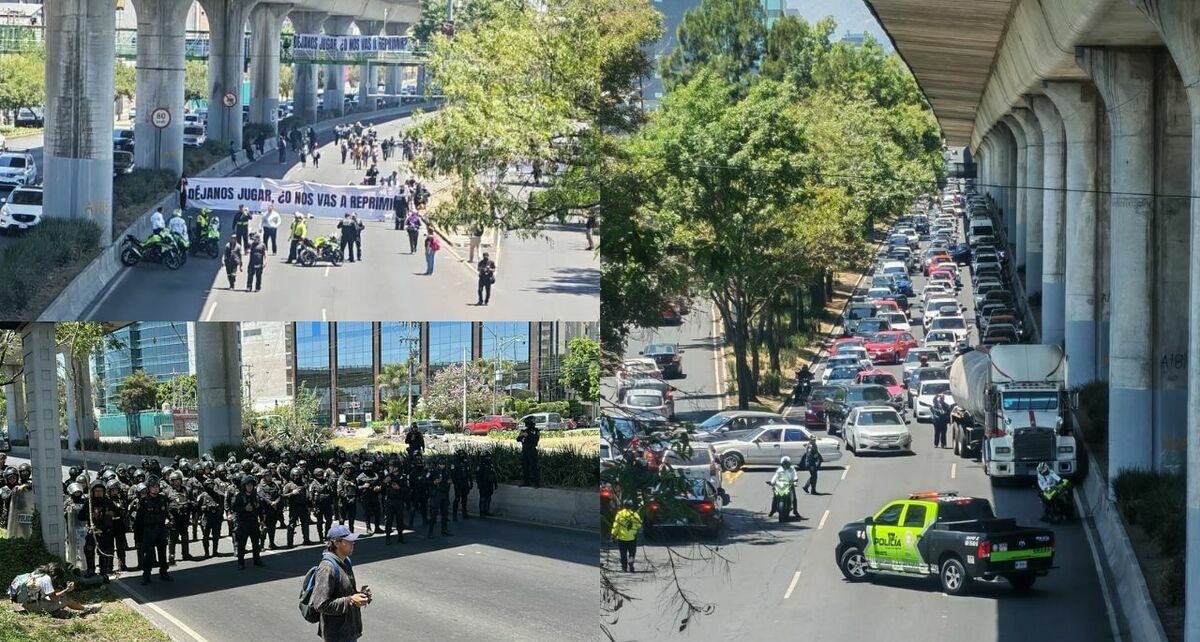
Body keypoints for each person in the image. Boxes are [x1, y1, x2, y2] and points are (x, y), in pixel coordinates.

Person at [310, 525, 368, 642]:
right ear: (337, 543)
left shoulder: (346, 561)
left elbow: (345, 591)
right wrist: (350, 600)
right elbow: (320, 604)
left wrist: (359, 596)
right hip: (337, 636)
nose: (353, 543)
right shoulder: (327, 568)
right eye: (349, 541)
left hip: (349, 631)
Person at [12, 564, 100, 615]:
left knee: (57, 597)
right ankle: (87, 609)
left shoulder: (36, 573)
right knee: (66, 600)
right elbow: (54, 598)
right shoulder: (47, 579)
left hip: (26, 603)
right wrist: (66, 590)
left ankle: (84, 608)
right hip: (34, 606)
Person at [134, 476, 172, 585]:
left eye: (157, 486)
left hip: (161, 529)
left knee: (162, 553)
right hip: (149, 530)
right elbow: (139, 519)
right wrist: (138, 535)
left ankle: (164, 572)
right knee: (149, 555)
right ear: (149, 488)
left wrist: (168, 520)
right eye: (153, 487)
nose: (155, 489)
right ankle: (146, 575)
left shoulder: (163, 499)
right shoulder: (144, 501)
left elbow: (167, 513)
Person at [230, 475, 264, 569]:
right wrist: (244, 509)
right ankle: (241, 563)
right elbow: (234, 508)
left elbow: (260, 509)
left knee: (256, 543)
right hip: (243, 523)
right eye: (248, 485)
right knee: (241, 544)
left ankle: (257, 560)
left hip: (254, 522)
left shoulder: (256, 496)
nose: (250, 487)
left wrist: (262, 520)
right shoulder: (239, 496)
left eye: (251, 485)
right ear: (244, 486)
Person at [164, 472, 194, 564]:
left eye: (178, 480)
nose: (177, 482)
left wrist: (190, 507)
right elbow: (164, 506)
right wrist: (166, 518)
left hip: (184, 517)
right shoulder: (167, 491)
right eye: (175, 481)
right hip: (173, 517)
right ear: (171, 481)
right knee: (172, 537)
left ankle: (185, 553)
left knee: (185, 535)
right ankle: (171, 555)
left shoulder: (186, 490)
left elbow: (192, 501)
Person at [283, 467, 314, 548]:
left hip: (303, 506)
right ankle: (290, 543)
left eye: (297, 475)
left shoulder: (304, 484)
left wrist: (310, 506)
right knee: (292, 525)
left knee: (305, 524)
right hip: (294, 507)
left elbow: (308, 495)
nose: (296, 477)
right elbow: (283, 496)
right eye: (294, 475)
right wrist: (292, 493)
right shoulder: (288, 485)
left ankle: (306, 540)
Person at [611, 500, 642, 572]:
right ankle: (631, 560)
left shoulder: (619, 514)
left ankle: (624, 568)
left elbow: (616, 525)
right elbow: (639, 525)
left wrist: (613, 534)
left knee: (623, 554)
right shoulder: (635, 515)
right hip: (632, 537)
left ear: (624, 505)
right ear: (631, 506)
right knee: (632, 552)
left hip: (621, 538)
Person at [257, 468, 284, 549]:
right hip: (265, 510)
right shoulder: (260, 486)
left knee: (272, 527)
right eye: (268, 475)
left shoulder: (274, 484)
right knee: (264, 528)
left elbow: (279, 494)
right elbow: (261, 496)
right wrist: (271, 503)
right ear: (264, 477)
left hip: (274, 509)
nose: (270, 477)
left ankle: (272, 543)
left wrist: (276, 502)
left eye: (270, 475)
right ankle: (261, 545)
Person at [382, 462, 408, 544]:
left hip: (399, 501)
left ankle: (400, 537)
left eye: (391, 467)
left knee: (400, 520)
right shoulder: (388, 476)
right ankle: (387, 538)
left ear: (396, 468)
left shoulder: (403, 477)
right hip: (390, 501)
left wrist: (399, 488)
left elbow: (407, 489)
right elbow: (382, 487)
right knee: (389, 520)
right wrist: (384, 482)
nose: (390, 468)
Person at [427, 460, 453, 538]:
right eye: (441, 464)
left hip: (445, 493)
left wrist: (449, 482)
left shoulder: (446, 472)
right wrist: (434, 482)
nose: (442, 466)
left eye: (444, 464)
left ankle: (444, 529)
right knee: (434, 513)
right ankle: (430, 532)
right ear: (438, 464)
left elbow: (449, 480)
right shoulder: (433, 472)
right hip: (437, 494)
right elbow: (426, 481)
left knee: (445, 513)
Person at [309, 468, 336, 540]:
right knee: (320, 521)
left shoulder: (327, 482)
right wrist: (312, 507)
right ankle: (320, 536)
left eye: (321, 474)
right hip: (318, 504)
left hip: (327, 504)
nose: (320, 476)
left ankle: (327, 534)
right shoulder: (313, 484)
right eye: (318, 475)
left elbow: (331, 492)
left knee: (329, 520)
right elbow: (310, 495)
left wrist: (332, 504)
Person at [517, 416, 540, 487]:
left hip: (532, 450)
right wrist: (522, 435)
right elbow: (518, 439)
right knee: (525, 467)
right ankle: (526, 482)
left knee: (533, 466)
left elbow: (535, 440)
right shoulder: (524, 431)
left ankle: (536, 483)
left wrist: (528, 435)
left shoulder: (535, 431)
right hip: (525, 451)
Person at [336, 463, 359, 533]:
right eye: (345, 469)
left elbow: (356, 489)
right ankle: (341, 533)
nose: (347, 470)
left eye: (349, 469)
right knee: (342, 519)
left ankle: (351, 532)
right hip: (343, 501)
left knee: (351, 518)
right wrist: (346, 497)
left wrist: (354, 498)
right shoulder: (341, 478)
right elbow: (339, 490)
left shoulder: (353, 478)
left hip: (352, 500)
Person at [449, 450, 471, 520]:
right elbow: (452, 474)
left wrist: (470, 482)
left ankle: (464, 513)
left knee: (464, 499)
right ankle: (454, 515)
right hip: (458, 483)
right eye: (461, 454)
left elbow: (468, 472)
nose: (462, 456)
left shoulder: (465, 462)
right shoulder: (454, 463)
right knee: (457, 499)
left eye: (463, 454)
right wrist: (455, 483)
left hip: (464, 482)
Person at [475, 452, 498, 517]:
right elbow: (478, 476)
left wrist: (495, 483)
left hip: (489, 484)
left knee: (488, 498)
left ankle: (487, 510)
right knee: (483, 498)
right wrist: (479, 484)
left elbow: (494, 475)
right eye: (487, 457)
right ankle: (482, 512)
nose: (488, 458)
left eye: (489, 457)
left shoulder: (491, 465)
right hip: (483, 484)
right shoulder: (481, 465)